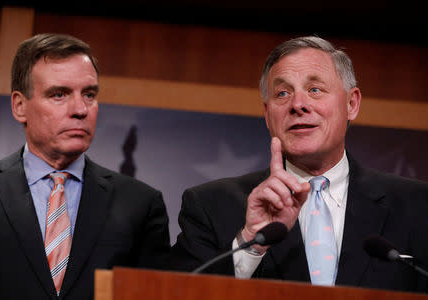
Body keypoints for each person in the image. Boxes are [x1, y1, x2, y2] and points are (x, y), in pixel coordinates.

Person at [170, 36, 428, 293]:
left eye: (315, 90)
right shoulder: (210, 206)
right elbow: (174, 294)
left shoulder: (417, 205)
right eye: (282, 93)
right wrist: (251, 243)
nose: (297, 105)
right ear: (268, 115)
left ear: (351, 104)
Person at [0, 33, 170, 299]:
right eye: (59, 94)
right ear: (20, 106)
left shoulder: (140, 204)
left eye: (89, 94)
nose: (80, 109)